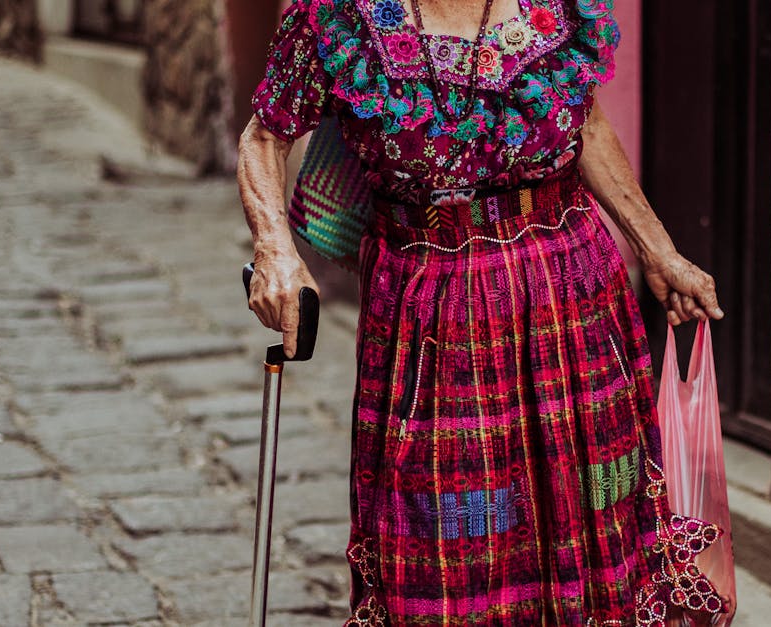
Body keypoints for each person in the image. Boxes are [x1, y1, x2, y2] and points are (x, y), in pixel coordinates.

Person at [239, 0, 731, 623]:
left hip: (569, 292)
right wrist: (275, 250)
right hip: (432, 310)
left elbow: (585, 126)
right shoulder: (337, 16)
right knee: (446, 531)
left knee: (595, 512)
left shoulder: (555, 6)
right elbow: (264, 137)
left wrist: (659, 250)